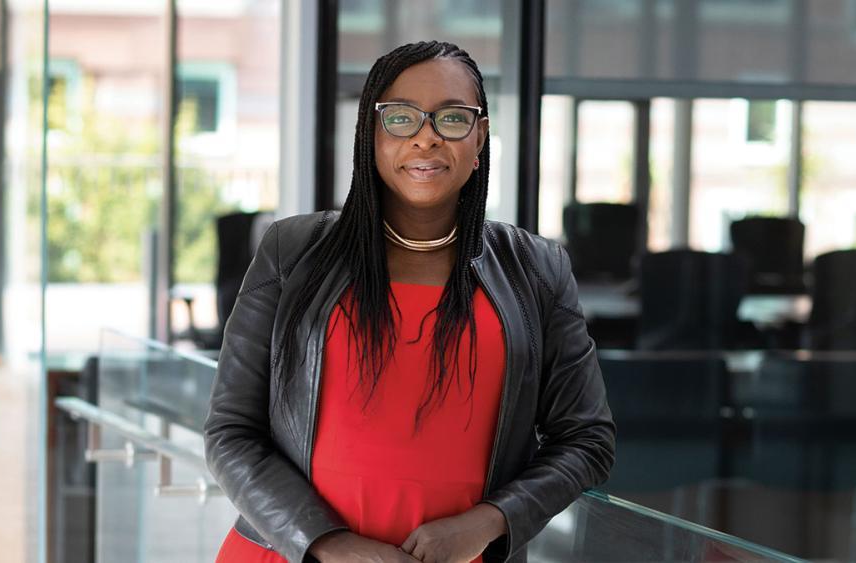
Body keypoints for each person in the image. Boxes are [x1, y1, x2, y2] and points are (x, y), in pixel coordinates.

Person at [204, 40, 615, 563]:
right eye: (401, 119)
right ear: (371, 134)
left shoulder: (535, 269)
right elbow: (230, 432)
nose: (426, 138)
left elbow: (587, 439)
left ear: (480, 136)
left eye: (451, 118)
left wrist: (486, 524)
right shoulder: (293, 251)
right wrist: (330, 545)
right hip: (291, 554)